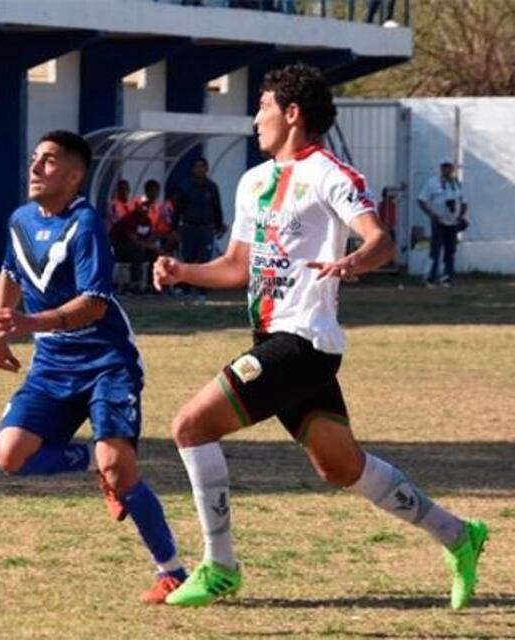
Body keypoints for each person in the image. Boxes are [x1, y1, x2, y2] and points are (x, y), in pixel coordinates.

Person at [153, 64, 487, 609]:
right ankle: (459, 534)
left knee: (190, 427)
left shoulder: (331, 173)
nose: (254, 117)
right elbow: (237, 267)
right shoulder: (252, 181)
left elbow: (382, 242)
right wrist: (183, 271)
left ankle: (220, 567)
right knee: (340, 467)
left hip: (303, 342)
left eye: (261, 106)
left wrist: (355, 260)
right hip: (272, 341)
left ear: (291, 113)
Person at [0, 130, 187, 604]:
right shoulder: (20, 220)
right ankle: (94, 464)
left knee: (120, 465)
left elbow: (95, 304)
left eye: (49, 161)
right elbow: (11, 272)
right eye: (35, 158)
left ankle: (171, 571)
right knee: (10, 455)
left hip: (106, 361)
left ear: (74, 176)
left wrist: (30, 321)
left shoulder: (86, 225)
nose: (36, 168)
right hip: (53, 363)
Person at [173, 157, 226, 303]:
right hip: (189, 228)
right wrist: (175, 228)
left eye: (202, 166)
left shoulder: (212, 187)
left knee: (204, 261)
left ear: (206, 169)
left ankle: (202, 293)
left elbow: (217, 208)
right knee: (188, 260)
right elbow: (177, 210)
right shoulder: (184, 186)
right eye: (197, 166)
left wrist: (219, 225)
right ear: (192, 169)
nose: (199, 169)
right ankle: (186, 291)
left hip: (206, 229)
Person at [417, 159, 468, 288]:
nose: (446, 169)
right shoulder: (433, 182)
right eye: (444, 166)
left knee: (450, 250)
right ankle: (429, 278)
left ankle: (446, 277)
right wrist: (431, 214)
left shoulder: (457, 184)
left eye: (449, 167)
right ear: (440, 168)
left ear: (453, 168)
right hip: (438, 221)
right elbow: (421, 200)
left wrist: (461, 216)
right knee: (435, 250)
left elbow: (464, 201)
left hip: (453, 222)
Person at [109, 191, 159, 293]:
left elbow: (149, 237)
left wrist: (154, 245)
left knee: (154, 254)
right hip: (121, 248)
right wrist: (148, 245)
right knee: (137, 250)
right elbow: (133, 239)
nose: (145, 209)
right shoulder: (130, 219)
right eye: (143, 206)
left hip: (137, 247)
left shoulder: (146, 220)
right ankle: (134, 283)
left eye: (147, 206)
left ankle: (151, 284)